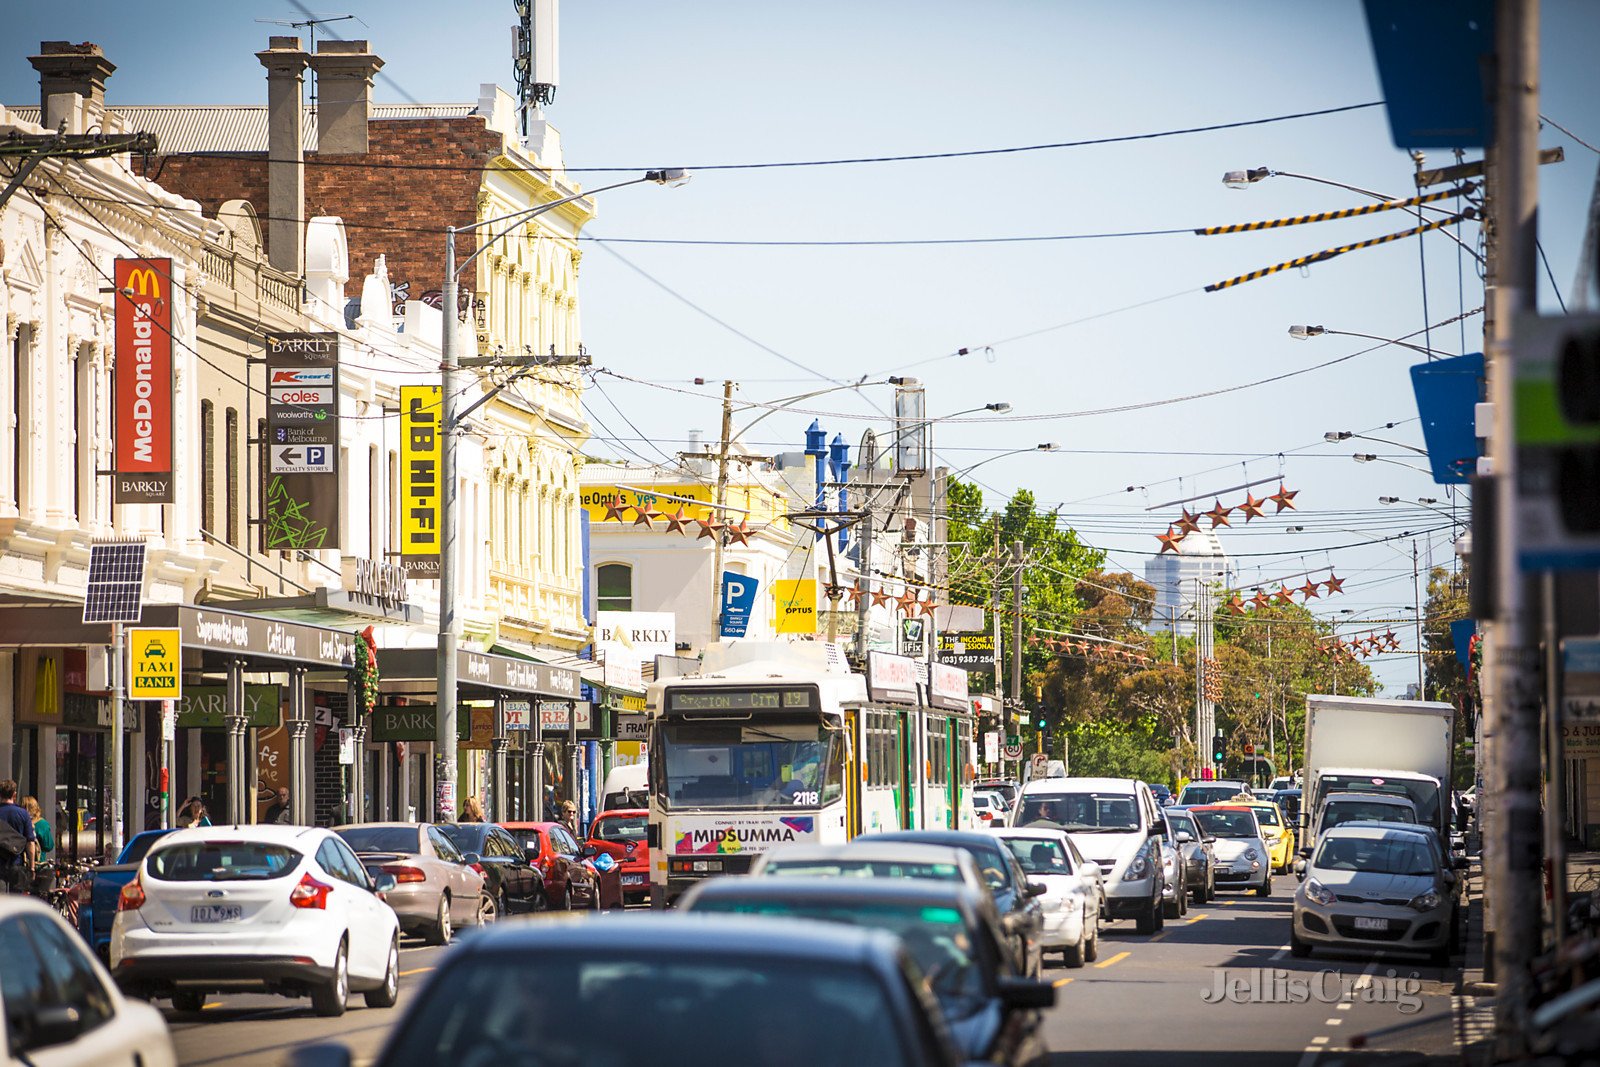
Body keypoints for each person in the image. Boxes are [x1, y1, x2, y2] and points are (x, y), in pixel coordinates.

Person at [0, 780, 39, 894]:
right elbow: (30, 842)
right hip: (16, 863)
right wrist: (32, 867)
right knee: (16, 903)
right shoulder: (23, 814)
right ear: (14, 795)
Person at [21, 797, 52, 898]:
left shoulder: (20, 822)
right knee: (40, 897)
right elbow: (48, 846)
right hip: (39, 866)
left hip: (21, 866)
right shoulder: (42, 824)